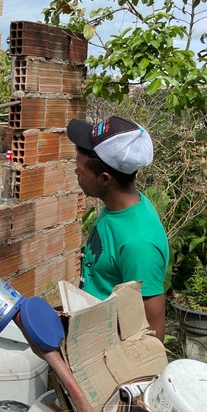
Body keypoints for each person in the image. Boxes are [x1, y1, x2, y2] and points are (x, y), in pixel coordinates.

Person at [66, 116, 169, 341]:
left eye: (80, 171)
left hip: (107, 359)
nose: (77, 174)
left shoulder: (139, 243)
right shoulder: (118, 207)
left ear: (104, 179)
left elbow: (152, 334)